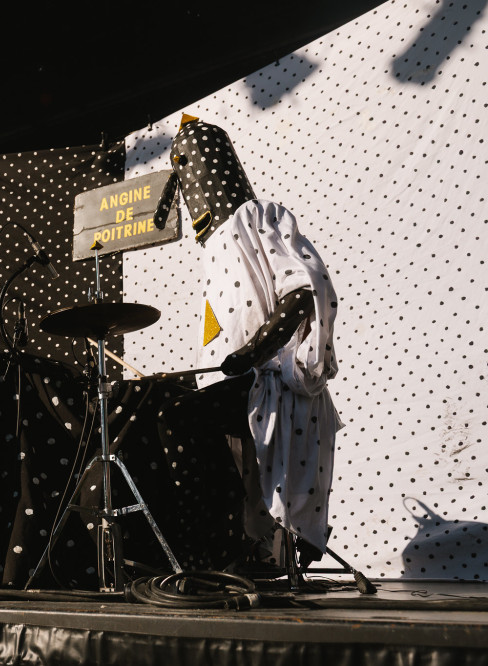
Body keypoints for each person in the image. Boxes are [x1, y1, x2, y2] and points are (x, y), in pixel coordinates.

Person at [153, 116, 342, 568]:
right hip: (243, 381)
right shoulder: (215, 249)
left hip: (270, 381)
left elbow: (304, 288)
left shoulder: (255, 218)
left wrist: (254, 351)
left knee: (179, 420)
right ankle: (226, 549)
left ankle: (217, 546)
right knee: (175, 414)